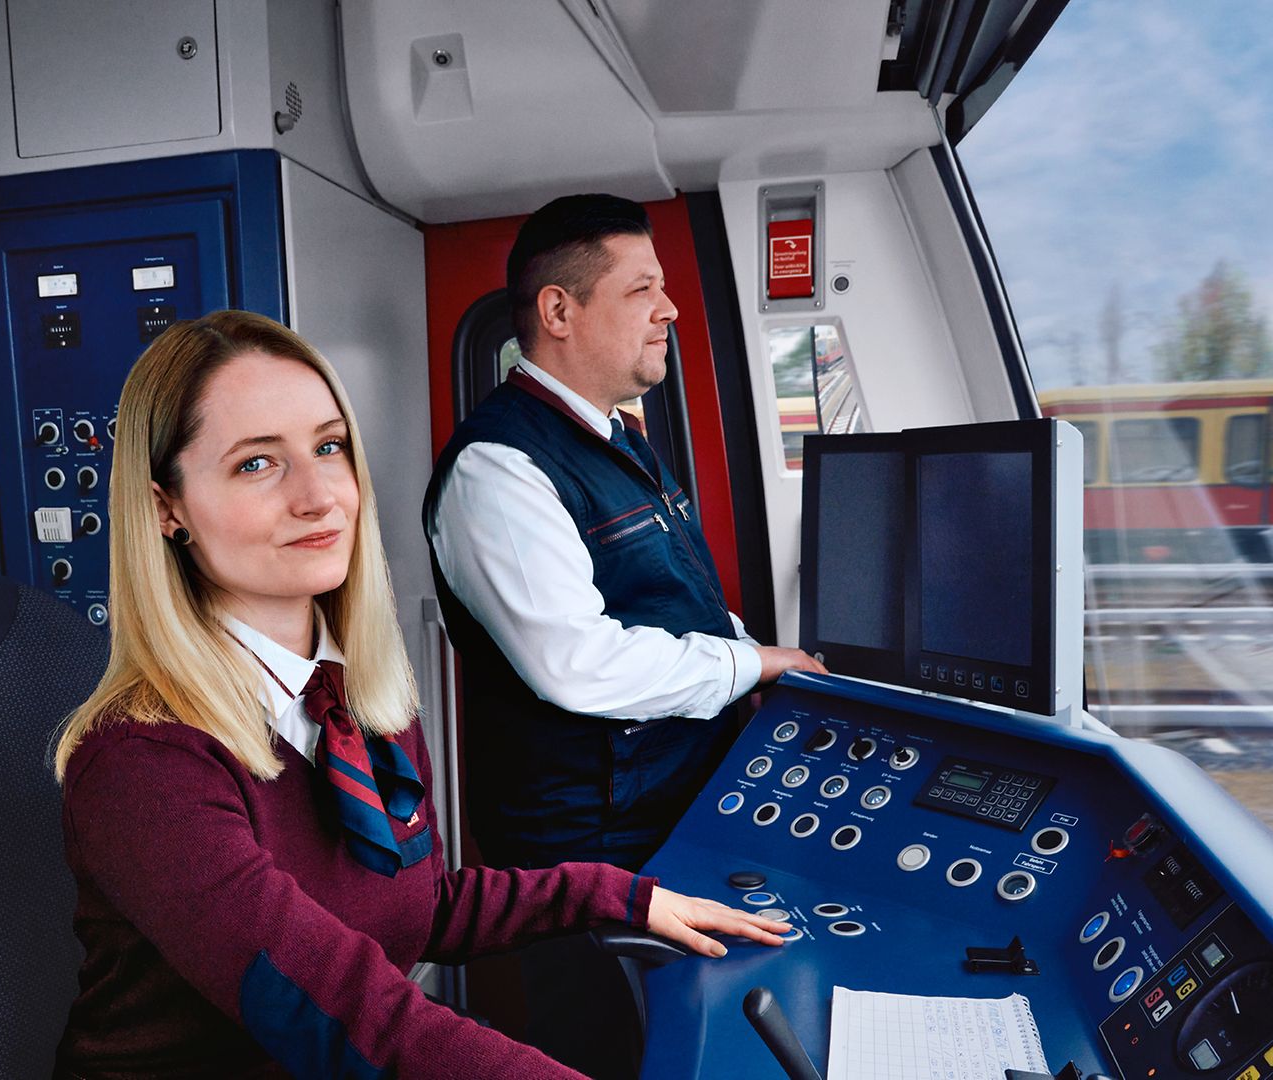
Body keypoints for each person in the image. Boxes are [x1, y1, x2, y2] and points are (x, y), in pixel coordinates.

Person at [49, 310, 789, 1080]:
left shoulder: (364, 702)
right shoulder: (143, 761)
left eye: (329, 448)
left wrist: (621, 897)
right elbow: (339, 1006)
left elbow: (422, 907)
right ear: (167, 508)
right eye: (256, 465)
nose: (319, 497)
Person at [423, 196, 827, 1076]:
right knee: (619, 1057)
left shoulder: (616, 439)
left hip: (669, 811)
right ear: (559, 312)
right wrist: (743, 663)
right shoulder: (500, 468)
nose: (671, 310)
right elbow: (579, 665)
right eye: (642, 288)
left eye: (668, 289)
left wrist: (762, 663)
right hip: (594, 849)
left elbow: (677, 597)